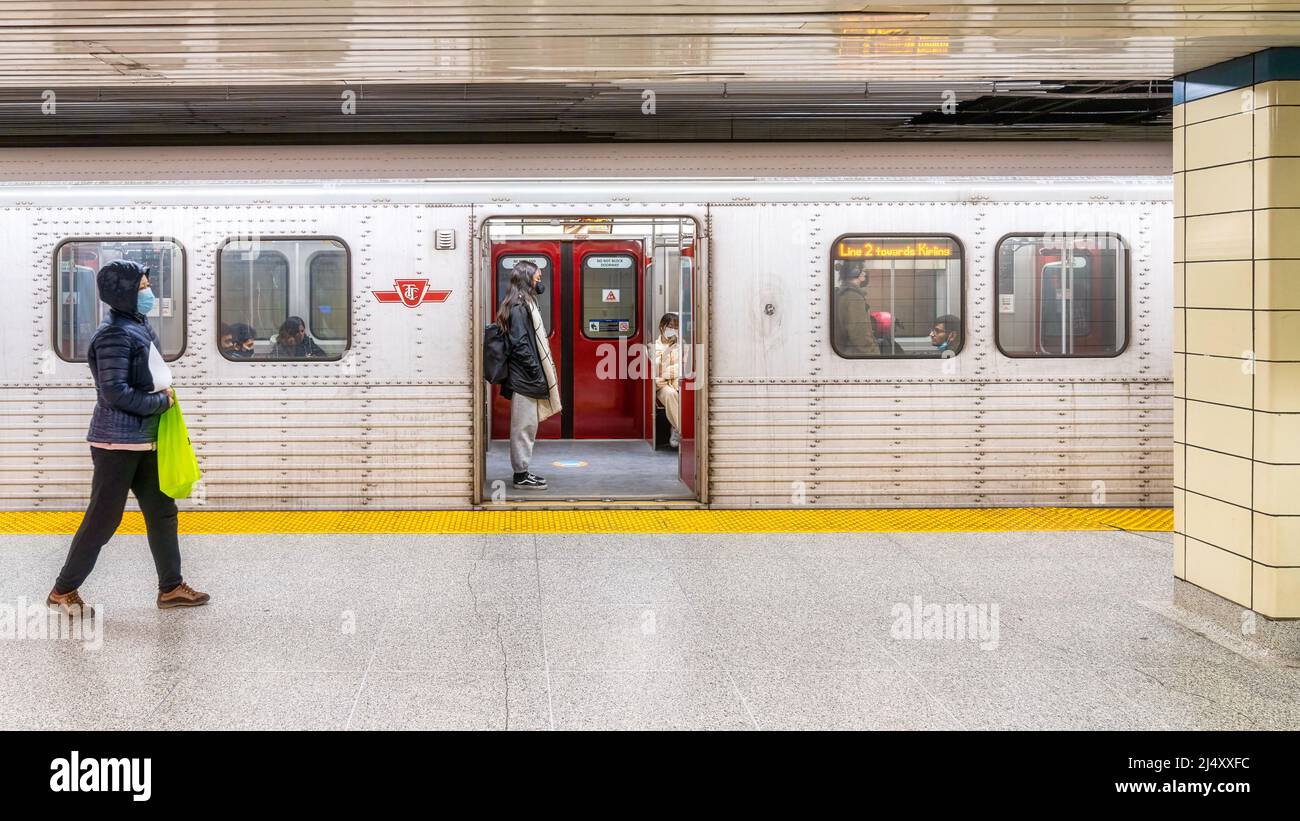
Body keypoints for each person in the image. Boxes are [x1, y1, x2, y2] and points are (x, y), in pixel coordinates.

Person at [48, 260, 210, 616]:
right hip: (116, 444)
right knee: (104, 519)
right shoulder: (113, 336)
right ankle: (63, 589)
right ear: (123, 293)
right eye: (142, 287)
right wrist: (160, 402)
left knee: (162, 511)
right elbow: (115, 393)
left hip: (144, 441)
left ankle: (170, 588)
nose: (149, 293)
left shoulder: (136, 326)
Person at [497, 261, 560, 489]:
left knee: (528, 425)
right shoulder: (519, 307)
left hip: (526, 376)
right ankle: (520, 474)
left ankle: (522, 470)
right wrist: (535, 370)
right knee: (523, 426)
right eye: (537, 276)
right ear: (527, 278)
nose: (539, 280)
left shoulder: (524, 303)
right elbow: (520, 344)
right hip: (524, 377)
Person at [833, 263, 881, 356]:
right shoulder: (854, 297)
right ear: (855, 273)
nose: (864, 274)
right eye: (863, 271)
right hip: (857, 355)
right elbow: (859, 333)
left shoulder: (841, 294)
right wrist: (874, 354)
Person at [653, 312, 682, 448]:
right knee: (670, 394)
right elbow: (656, 367)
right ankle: (682, 430)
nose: (673, 330)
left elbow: (682, 367)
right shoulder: (652, 347)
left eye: (676, 327)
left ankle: (676, 429)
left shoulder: (682, 346)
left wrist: (666, 373)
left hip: (677, 383)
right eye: (670, 326)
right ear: (662, 327)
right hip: (661, 386)